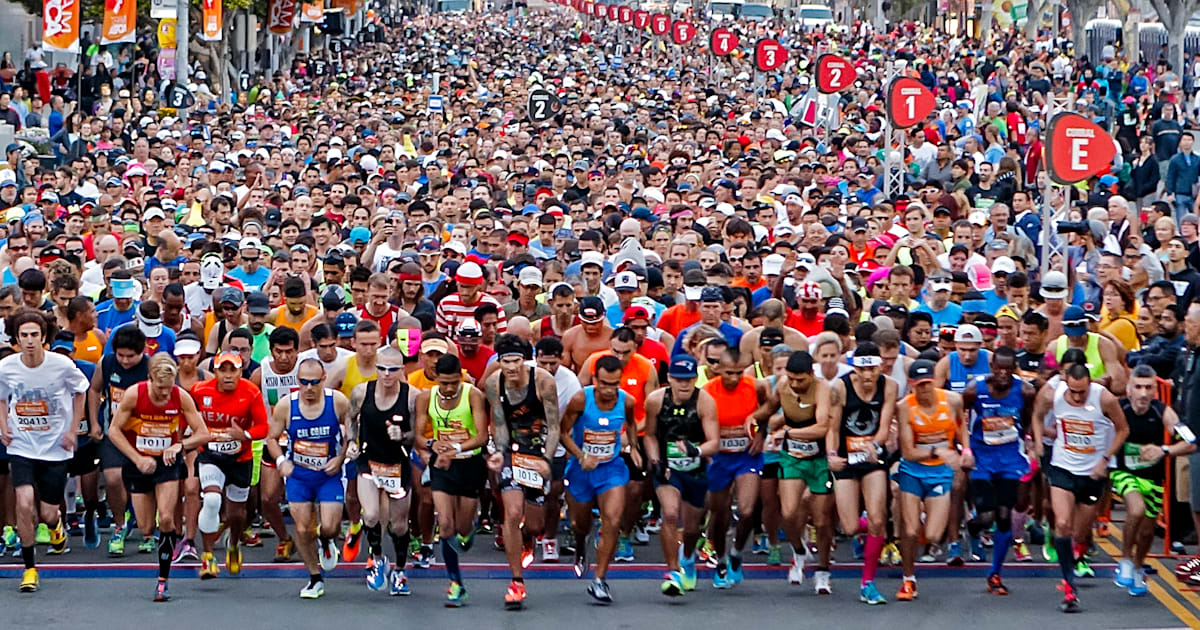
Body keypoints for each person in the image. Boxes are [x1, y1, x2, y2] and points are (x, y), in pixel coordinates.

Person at [0, 309, 90, 592]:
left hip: (54, 447)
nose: (29, 341)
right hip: (22, 443)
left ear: (43, 337)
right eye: (23, 335)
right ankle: (29, 569)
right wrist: (3, 426)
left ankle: (55, 527)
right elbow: (1, 398)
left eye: (34, 335)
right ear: (16, 338)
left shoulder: (61, 365)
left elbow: (81, 391)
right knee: (24, 503)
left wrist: (72, 430)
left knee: (49, 512)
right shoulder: (7, 367)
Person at [107, 353, 208, 601]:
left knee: (166, 518)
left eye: (169, 387)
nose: (165, 394)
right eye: (160, 388)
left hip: (167, 463)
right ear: (150, 379)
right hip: (139, 462)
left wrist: (180, 446)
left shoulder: (180, 396)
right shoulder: (134, 394)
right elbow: (114, 431)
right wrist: (137, 458)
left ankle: (163, 581)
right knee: (146, 527)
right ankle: (138, 520)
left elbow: (203, 433)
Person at [1032, 362, 1129, 613]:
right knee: (1062, 524)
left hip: (1092, 471)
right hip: (1063, 466)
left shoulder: (1103, 398)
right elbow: (1036, 413)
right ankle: (1068, 585)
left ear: (1089, 384)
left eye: (1082, 392)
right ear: (1066, 383)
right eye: (1073, 392)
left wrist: (1106, 459)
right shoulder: (1053, 393)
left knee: (1080, 532)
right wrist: (1039, 441)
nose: (1077, 397)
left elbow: (1123, 429)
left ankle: (1079, 553)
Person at [483, 334, 560, 609]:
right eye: (506, 361)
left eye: (517, 361)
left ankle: (528, 540)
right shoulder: (494, 383)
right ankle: (517, 581)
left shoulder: (543, 382)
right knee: (512, 513)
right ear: (499, 361)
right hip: (511, 454)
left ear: (526, 361)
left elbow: (555, 426)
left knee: (535, 524)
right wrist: (498, 453)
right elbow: (500, 423)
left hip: (537, 452)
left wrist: (546, 460)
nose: (512, 367)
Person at [749, 350, 835, 593]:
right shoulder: (785, 386)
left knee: (821, 520)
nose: (795, 384)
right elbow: (769, 409)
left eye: (800, 380)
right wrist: (752, 418)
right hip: (793, 457)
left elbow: (821, 427)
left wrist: (787, 433)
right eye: (791, 379)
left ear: (811, 374)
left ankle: (823, 570)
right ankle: (798, 551)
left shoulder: (822, 389)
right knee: (787, 513)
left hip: (818, 459)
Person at [266, 358, 353, 599]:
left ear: (323, 379)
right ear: (298, 381)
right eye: (304, 382)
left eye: (314, 382)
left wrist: (342, 458)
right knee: (303, 529)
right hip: (299, 475)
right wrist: (281, 462)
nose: (309, 388)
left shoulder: (337, 402)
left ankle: (326, 541)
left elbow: (353, 430)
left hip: (328, 474)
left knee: (330, 526)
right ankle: (315, 578)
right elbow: (271, 438)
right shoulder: (286, 405)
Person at [559, 354, 638, 603]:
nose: (608, 389)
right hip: (581, 469)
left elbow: (633, 424)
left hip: (611, 468)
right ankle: (581, 544)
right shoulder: (582, 399)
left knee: (612, 521)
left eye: (614, 384)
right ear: (595, 379)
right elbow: (562, 432)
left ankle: (599, 580)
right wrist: (581, 456)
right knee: (579, 525)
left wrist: (633, 446)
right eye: (603, 383)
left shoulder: (627, 401)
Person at [413, 354, 490, 607]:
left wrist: (454, 449)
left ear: (461, 377)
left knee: (463, 529)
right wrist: (432, 446)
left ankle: (470, 530)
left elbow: (481, 437)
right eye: (444, 383)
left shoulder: (472, 395)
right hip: (442, 466)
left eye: (453, 383)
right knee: (445, 526)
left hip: (470, 464)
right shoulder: (426, 398)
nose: (448, 388)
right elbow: (418, 436)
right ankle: (456, 584)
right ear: (436, 378)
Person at [960, 346, 1037, 596]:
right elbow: (961, 415)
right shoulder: (975, 389)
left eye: (1008, 369)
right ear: (991, 367)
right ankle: (972, 527)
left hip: (1010, 458)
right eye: (999, 368)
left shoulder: (1024, 390)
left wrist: (1028, 438)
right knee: (987, 517)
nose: (1003, 374)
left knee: (1004, 516)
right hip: (982, 456)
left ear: (1014, 369)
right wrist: (965, 448)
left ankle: (995, 573)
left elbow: (1027, 418)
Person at [642, 354, 719, 597]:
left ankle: (687, 558)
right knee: (671, 514)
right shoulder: (655, 400)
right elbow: (650, 434)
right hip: (668, 467)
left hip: (696, 467)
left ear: (696, 378)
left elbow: (714, 441)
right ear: (669, 379)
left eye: (689, 379)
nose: (684, 384)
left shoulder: (705, 401)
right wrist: (654, 460)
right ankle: (673, 571)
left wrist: (697, 451)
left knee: (692, 526)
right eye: (678, 379)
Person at [1113, 365, 1193, 595]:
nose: (1143, 393)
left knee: (1147, 532)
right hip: (1124, 473)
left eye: (1148, 388)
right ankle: (1126, 560)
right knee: (1135, 510)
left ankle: (1138, 567)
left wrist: (1164, 450)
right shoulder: (1120, 408)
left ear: (1155, 391)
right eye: (1138, 387)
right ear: (1129, 389)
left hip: (1153, 478)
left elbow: (1190, 442)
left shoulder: (1163, 411)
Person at [828, 342, 897, 604]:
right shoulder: (840, 387)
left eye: (872, 369)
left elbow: (884, 423)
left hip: (871, 456)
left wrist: (876, 445)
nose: (868, 376)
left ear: (880, 366)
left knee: (877, 517)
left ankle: (867, 582)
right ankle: (877, 530)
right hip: (846, 456)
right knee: (849, 526)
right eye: (862, 370)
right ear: (854, 368)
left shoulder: (888, 386)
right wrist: (832, 456)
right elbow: (833, 428)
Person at [192, 350, 271, 579]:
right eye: (222, 370)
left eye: (233, 370)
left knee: (236, 515)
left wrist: (244, 434)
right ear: (214, 371)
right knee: (213, 499)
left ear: (240, 372)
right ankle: (207, 557)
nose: (227, 375)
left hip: (240, 459)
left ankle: (233, 544)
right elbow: (185, 415)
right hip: (210, 455)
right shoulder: (200, 390)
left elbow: (263, 427)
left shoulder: (250, 392)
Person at [348, 346, 419, 596]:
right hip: (369, 462)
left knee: (399, 527)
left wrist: (403, 436)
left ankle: (400, 570)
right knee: (370, 516)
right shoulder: (361, 392)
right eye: (382, 369)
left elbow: (418, 436)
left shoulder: (412, 397)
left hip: (398, 467)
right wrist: (351, 443)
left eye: (392, 369)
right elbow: (350, 418)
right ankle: (378, 561)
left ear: (402, 370)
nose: (387, 375)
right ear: (375, 368)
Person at [894, 359, 967, 602]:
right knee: (910, 530)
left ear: (934, 382)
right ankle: (908, 579)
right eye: (919, 385)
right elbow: (907, 452)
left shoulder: (952, 400)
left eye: (928, 384)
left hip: (940, 472)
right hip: (914, 470)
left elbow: (961, 428)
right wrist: (938, 452)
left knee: (934, 535)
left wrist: (965, 451)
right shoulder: (905, 406)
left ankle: (923, 512)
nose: (924, 390)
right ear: (912, 385)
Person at [703, 346, 767, 589]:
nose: (734, 378)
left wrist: (761, 434)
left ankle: (737, 553)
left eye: (739, 373)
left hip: (746, 456)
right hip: (719, 458)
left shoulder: (755, 386)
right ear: (717, 368)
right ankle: (720, 560)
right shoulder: (708, 392)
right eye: (729, 373)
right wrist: (706, 450)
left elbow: (769, 410)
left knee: (748, 510)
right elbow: (698, 423)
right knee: (719, 513)